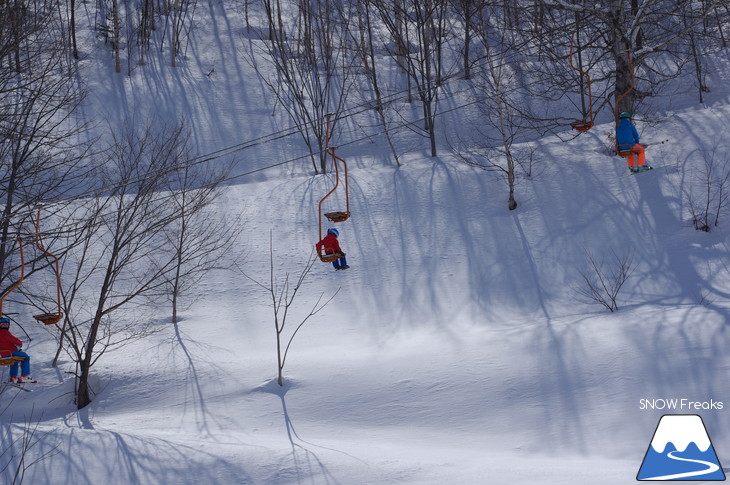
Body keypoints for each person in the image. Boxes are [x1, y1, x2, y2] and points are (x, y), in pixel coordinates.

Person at [0, 317, 36, 384]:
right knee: (26, 357)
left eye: (6, 324)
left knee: (14, 361)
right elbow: (14, 340)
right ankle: (25, 376)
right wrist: (19, 343)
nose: (5, 326)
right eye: (3, 324)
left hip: (4, 354)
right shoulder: (5, 333)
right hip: (11, 352)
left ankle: (13, 377)